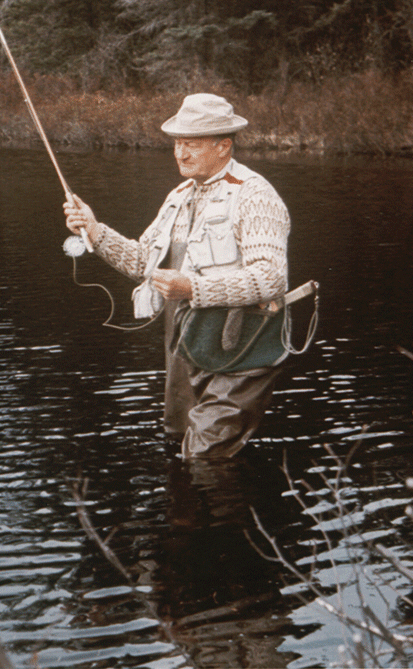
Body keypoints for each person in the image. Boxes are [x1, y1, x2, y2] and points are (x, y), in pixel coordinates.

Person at [64, 93, 291, 459]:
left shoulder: (256, 196)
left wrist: (193, 288)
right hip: (188, 346)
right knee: (178, 440)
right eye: (178, 144)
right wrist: (94, 229)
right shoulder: (180, 195)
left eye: (192, 145)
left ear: (223, 146)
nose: (180, 154)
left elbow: (271, 278)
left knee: (204, 455)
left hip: (244, 349)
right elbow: (143, 262)